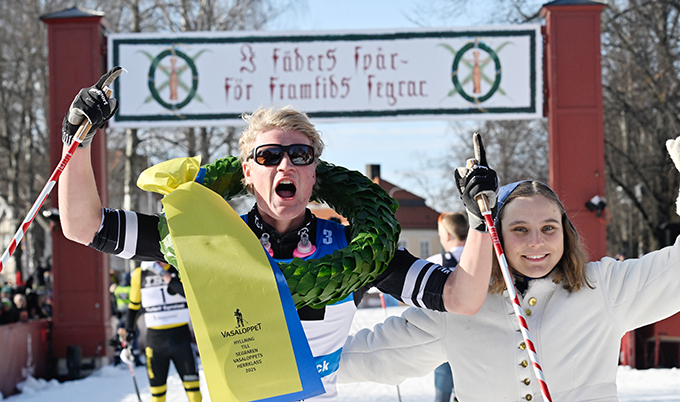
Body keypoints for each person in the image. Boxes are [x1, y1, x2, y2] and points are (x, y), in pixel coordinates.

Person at [57, 68, 498, 401]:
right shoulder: (205, 243)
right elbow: (85, 226)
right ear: (247, 173)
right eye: (268, 156)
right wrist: (77, 141)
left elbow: (461, 298)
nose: (284, 166)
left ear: (314, 176)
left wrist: (480, 219)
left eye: (299, 155)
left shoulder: (352, 249)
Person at [339, 135, 680, 402]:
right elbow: (368, 354)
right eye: (519, 229)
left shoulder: (602, 289)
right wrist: (285, 359)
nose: (536, 242)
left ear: (565, 233)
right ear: (496, 235)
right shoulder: (461, 306)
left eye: (548, 228)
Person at [117, 261, 201, 402]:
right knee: (157, 394)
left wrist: (165, 275)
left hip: (182, 339)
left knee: (193, 391)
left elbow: (189, 294)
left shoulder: (179, 267)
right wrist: (128, 333)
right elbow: (133, 307)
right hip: (156, 342)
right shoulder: (140, 273)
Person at [426, 212, 468, 402]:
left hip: (445, 340)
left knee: (441, 397)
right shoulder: (488, 263)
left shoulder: (434, 263)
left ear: (447, 235)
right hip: (479, 341)